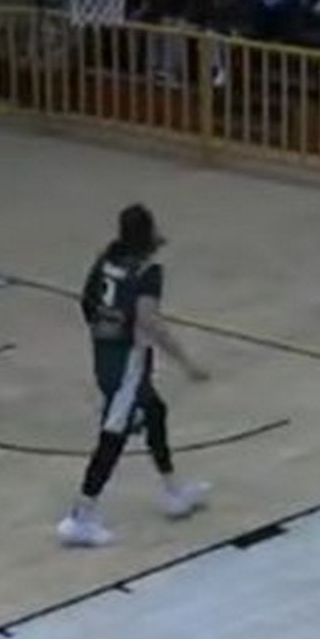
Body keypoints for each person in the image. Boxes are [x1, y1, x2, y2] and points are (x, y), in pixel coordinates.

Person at [57, 205, 211, 548]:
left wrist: (104, 331)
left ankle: (173, 491)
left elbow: (87, 302)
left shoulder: (107, 259)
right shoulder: (147, 271)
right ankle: (80, 515)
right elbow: (149, 320)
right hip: (128, 361)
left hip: (104, 354)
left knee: (154, 411)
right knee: (113, 435)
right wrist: (186, 363)